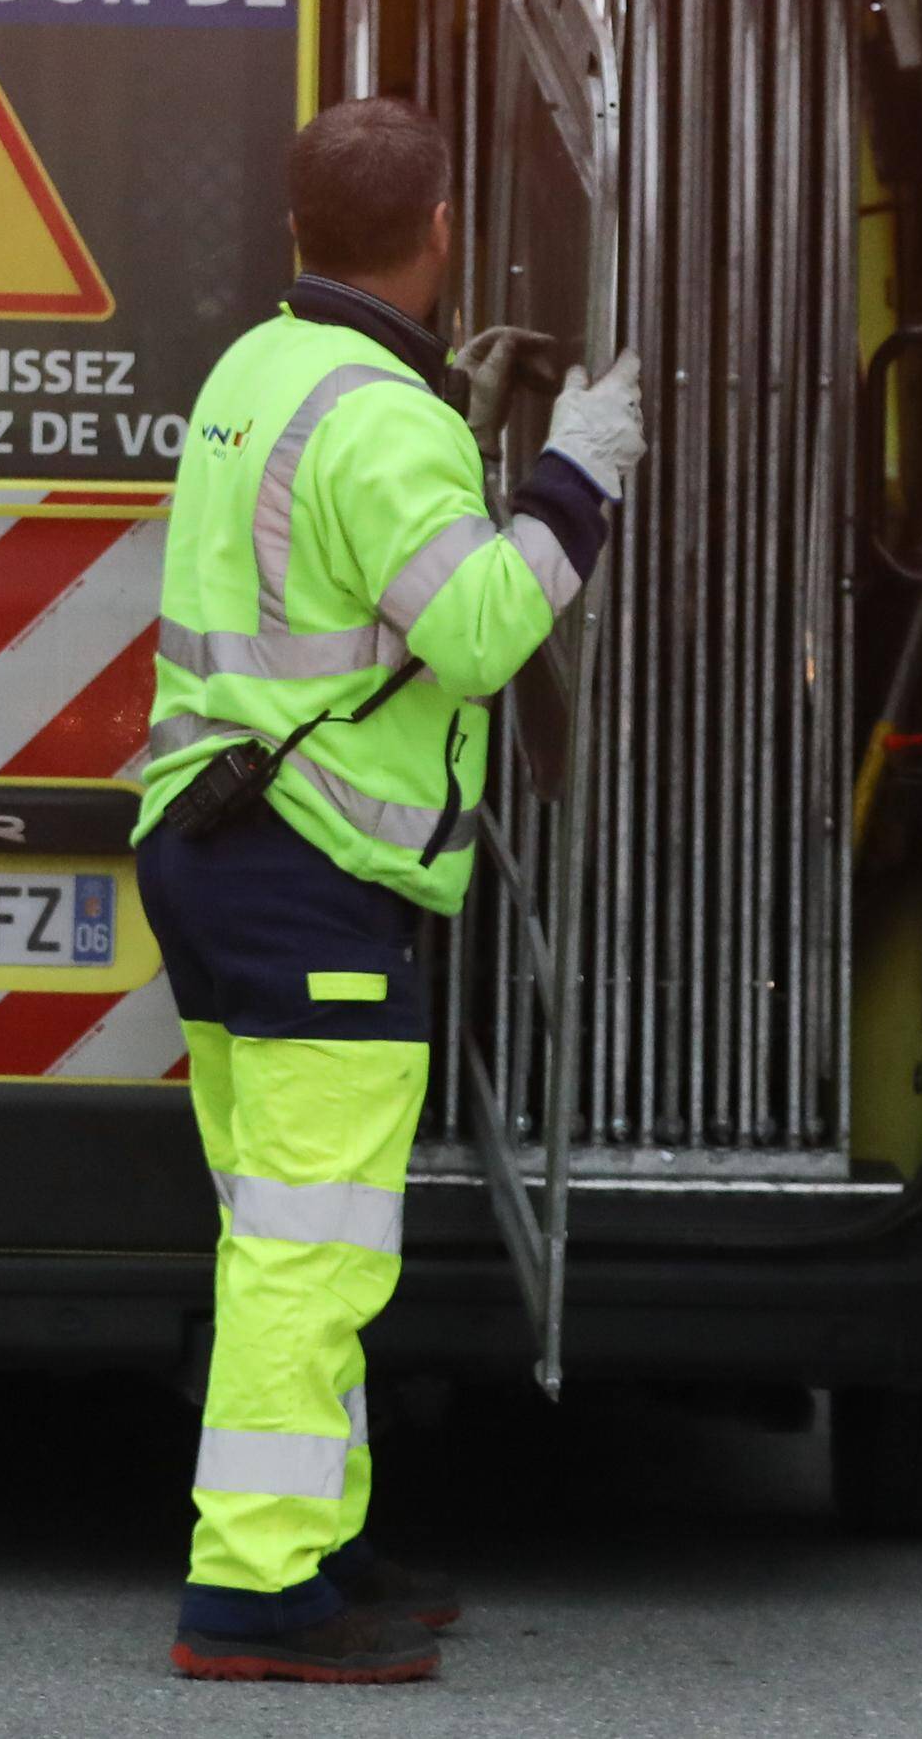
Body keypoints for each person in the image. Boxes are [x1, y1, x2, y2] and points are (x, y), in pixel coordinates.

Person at [129, 95, 644, 1685]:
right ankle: (255, 1598)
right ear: (438, 234)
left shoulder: (253, 372)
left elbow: (337, 571)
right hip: (312, 875)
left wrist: (459, 411)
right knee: (315, 1247)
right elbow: (483, 630)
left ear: (294, 229)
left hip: (209, 849)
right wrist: (576, 476)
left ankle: (322, 1540)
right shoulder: (383, 421)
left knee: (278, 1227)